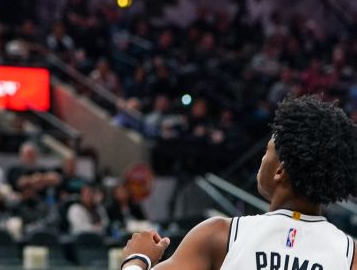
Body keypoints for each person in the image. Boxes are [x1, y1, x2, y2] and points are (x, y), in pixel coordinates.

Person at [121, 96, 357, 270]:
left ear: (279, 171)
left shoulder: (218, 235)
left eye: (267, 151)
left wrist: (137, 259)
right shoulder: (351, 256)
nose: (262, 159)